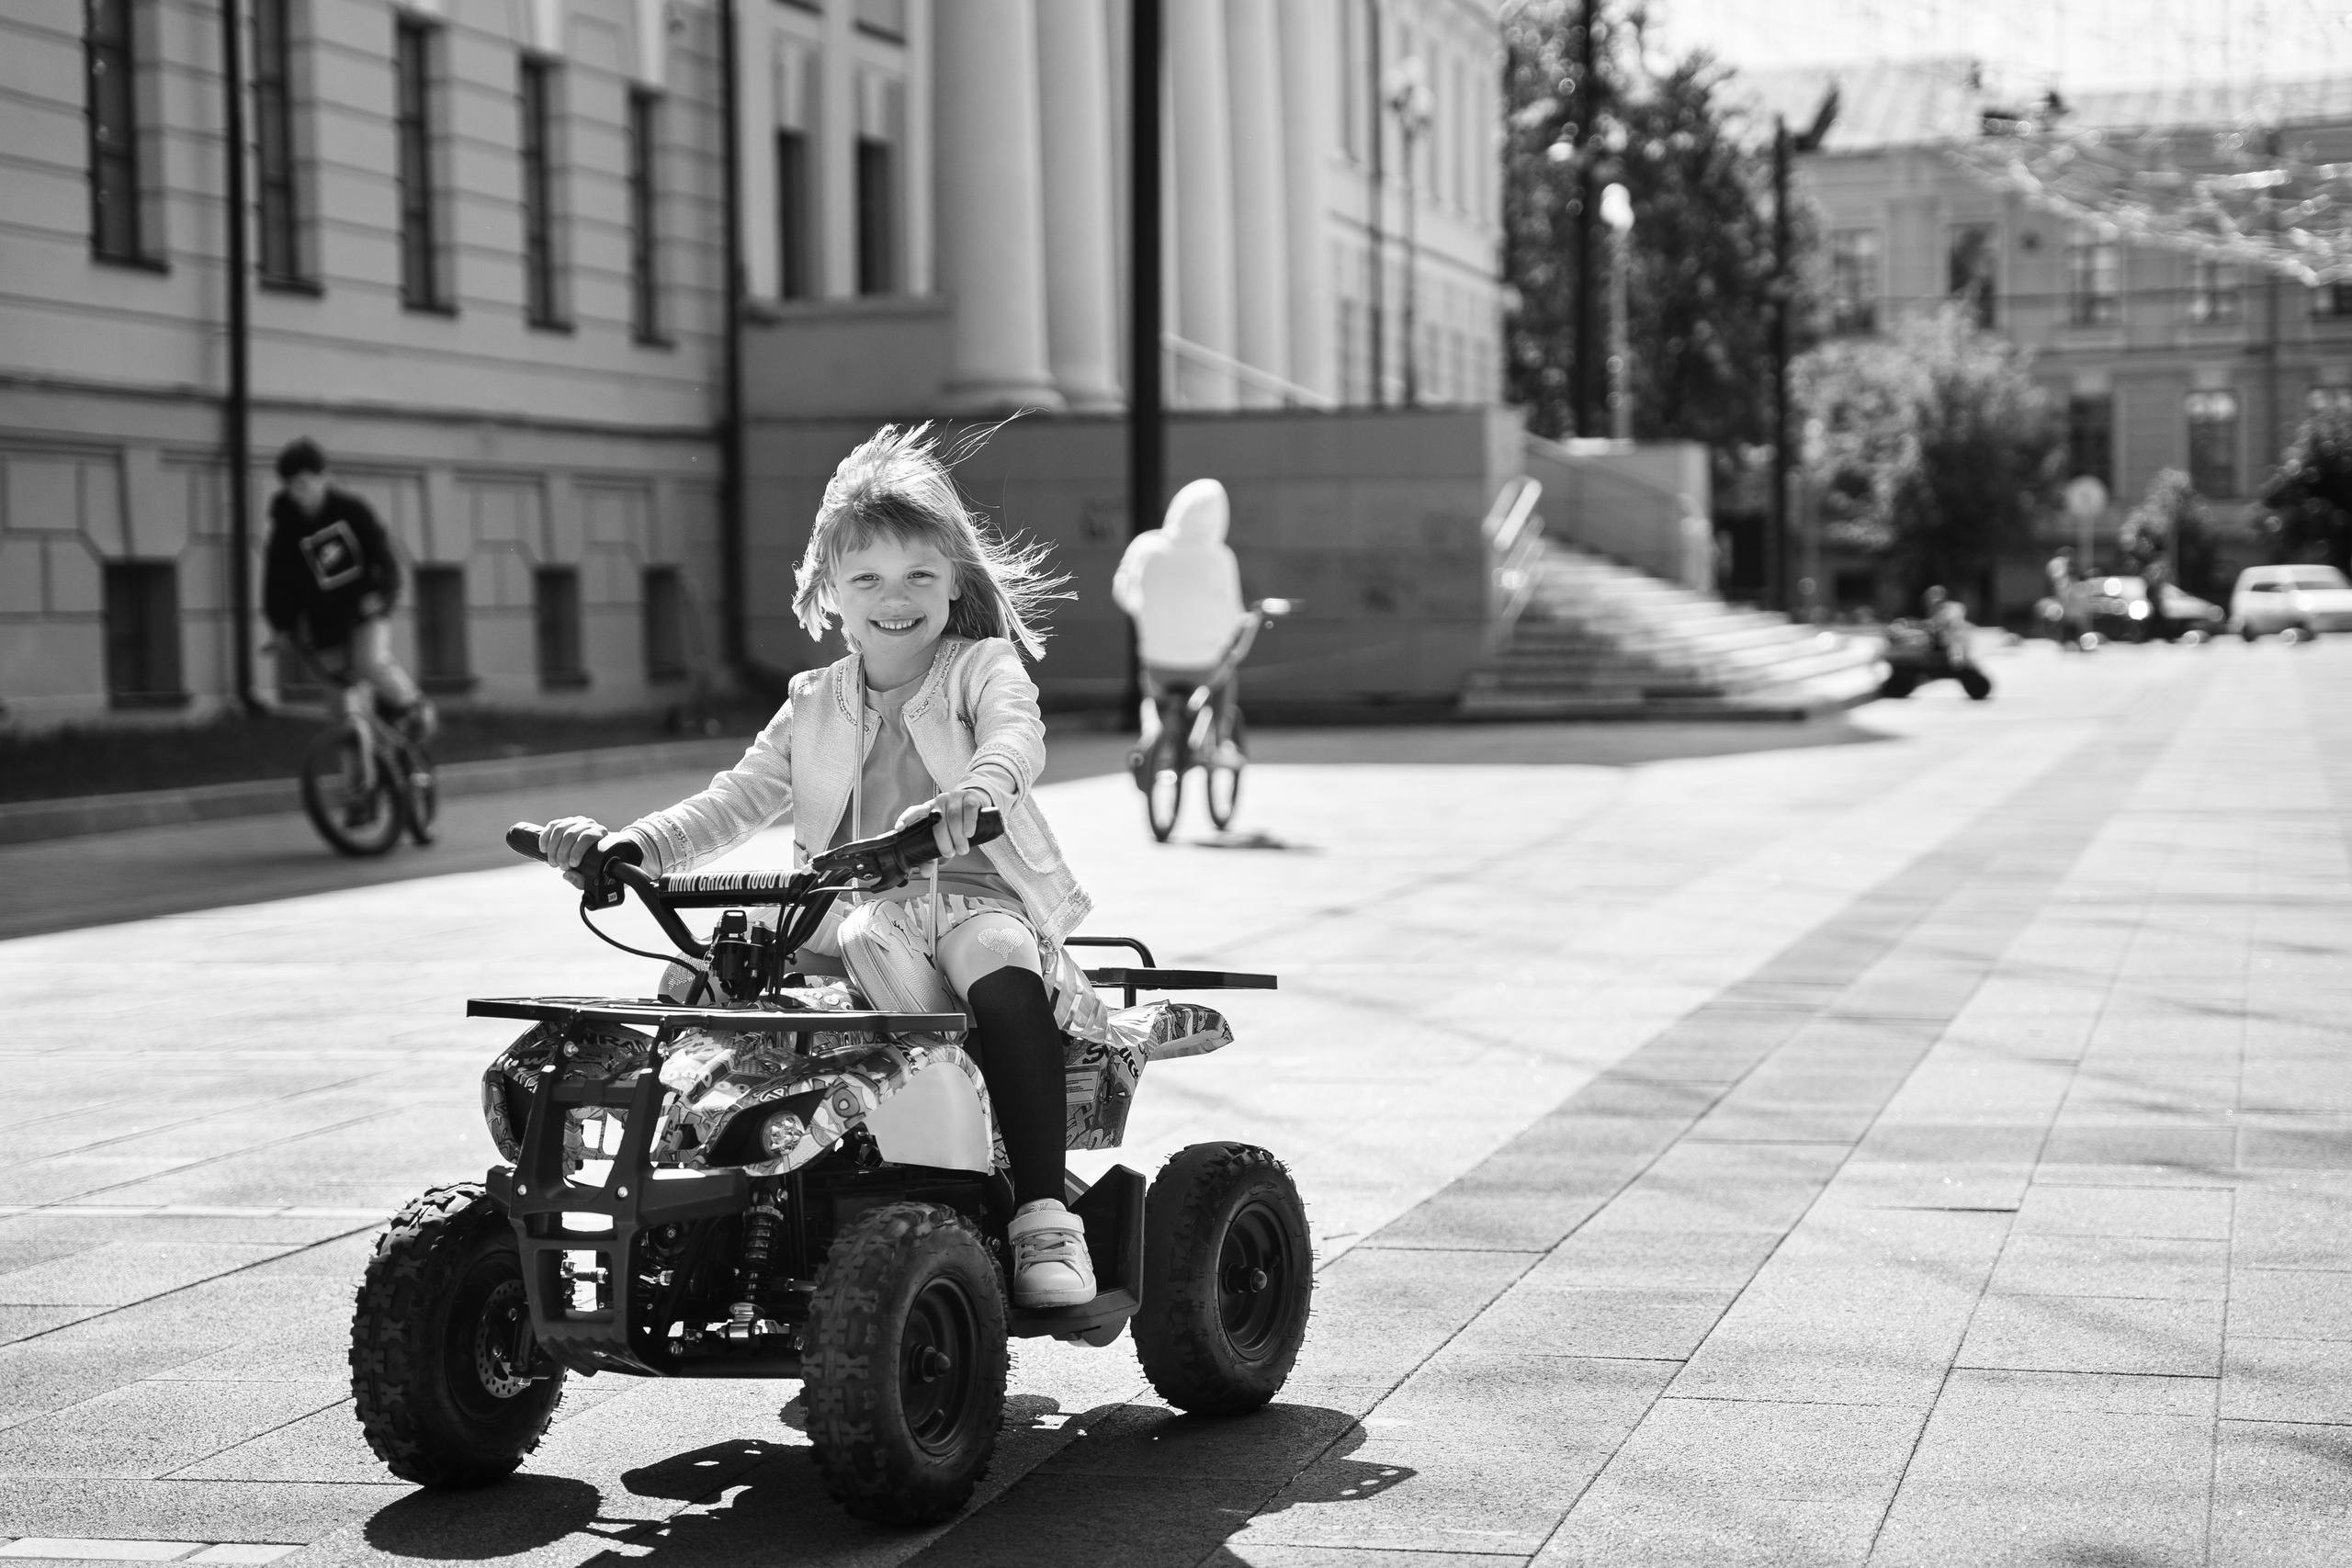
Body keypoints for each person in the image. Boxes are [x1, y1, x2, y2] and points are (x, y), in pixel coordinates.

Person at [536, 424, 1107, 1309]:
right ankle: (680, 1190)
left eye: (920, 574)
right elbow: (733, 800)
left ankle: (1041, 1212)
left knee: (995, 959)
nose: (896, 597)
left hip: (966, 897)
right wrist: (632, 847)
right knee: (696, 972)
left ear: (955, 581)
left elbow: (1013, 736)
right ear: (829, 593)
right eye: (867, 578)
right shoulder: (813, 704)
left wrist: (976, 791)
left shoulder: (979, 668)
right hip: (839, 914)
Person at [261, 437, 435, 737]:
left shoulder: (351, 511)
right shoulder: (285, 531)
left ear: (324, 477)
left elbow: (385, 558)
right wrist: (282, 627)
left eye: (305, 482)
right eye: (291, 485)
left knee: (369, 663)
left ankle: (413, 707)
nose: (300, 493)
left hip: (365, 611)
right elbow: (277, 584)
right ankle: (359, 781)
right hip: (325, 625)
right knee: (342, 712)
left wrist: (383, 594)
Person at [1113, 478, 1251, 769]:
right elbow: (1232, 616)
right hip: (1205, 667)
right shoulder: (1220, 556)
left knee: (1151, 689)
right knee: (1229, 669)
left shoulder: (1146, 546)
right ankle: (1222, 743)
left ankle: (1153, 736)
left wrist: (1147, 614)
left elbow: (1123, 593)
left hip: (1157, 665)